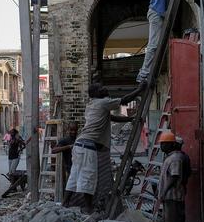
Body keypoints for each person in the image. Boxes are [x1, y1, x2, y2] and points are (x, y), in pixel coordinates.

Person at [63, 81, 146, 213]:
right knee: (88, 177)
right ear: (96, 93)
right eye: (101, 88)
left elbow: (110, 117)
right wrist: (139, 90)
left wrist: (129, 119)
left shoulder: (92, 105)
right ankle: (89, 208)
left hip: (79, 145)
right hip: (87, 146)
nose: (104, 88)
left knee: (75, 176)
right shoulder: (103, 103)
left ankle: (65, 203)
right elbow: (124, 100)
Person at [136, 0, 182, 84]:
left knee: (165, 44)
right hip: (156, 12)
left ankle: (151, 72)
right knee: (153, 45)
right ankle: (143, 74)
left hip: (162, 13)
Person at [157, 131, 191, 222]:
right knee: (170, 221)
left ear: (171, 144)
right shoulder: (171, 157)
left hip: (173, 196)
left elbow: (174, 176)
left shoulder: (175, 158)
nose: (161, 147)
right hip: (170, 196)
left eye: (164, 144)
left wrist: (164, 191)